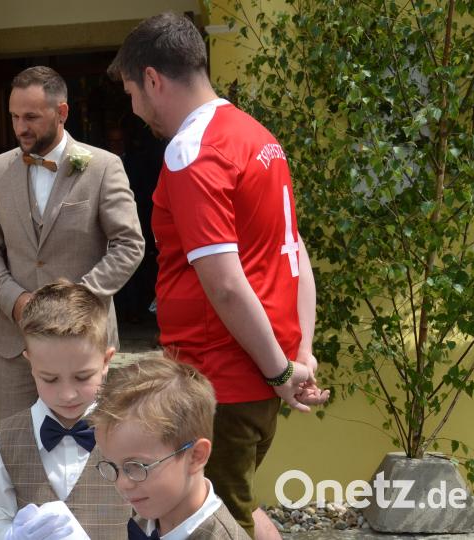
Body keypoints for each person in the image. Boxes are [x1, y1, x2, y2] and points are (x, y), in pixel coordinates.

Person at [108, 13, 330, 538]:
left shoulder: (193, 151)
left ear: (153, 80)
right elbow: (294, 254)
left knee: (214, 523)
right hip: (252, 373)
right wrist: (297, 355)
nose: (134, 108)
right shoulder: (257, 136)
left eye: (131, 92)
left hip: (217, 379)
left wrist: (282, 370)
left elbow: (226, 284)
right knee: (241, 508)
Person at [0, 65, 145, 423]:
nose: (20, 127)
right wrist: (15, 300)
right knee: (19, 456)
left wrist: (78, 302)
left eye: (31, 116)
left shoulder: (102, 166)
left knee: (91, 453)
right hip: (16, 346)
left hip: (85, 346)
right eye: (15, 116)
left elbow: (128, 243)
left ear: (62, 112)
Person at [0, 280, 132, 539]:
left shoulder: (130, 430)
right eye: (50, 379)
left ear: (106, 361)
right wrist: (13, 536)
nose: (67, 394)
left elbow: (156, 517)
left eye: (82, 377)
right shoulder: (10, 435)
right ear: (30, 363)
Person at [90, 355, 250, 539]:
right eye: (113, 466)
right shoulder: (144, 522)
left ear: (195, 456)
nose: (122, 483)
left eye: (136, 466)